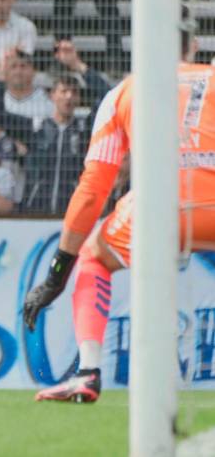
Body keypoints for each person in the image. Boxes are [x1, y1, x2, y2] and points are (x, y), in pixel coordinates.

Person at [22, 21, 211, 403]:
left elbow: (93, 189)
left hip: (162, 206)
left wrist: (57, 274)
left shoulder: (123, 93)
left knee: (93, 256)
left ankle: (88, 372)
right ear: (190, 48)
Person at [22, 74, 90, 215]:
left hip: (72, 211)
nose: (69, 96)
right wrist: (0, 77)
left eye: (74, 92)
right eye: (64, 91)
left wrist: (82, 69)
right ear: (52, 95)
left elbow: (107, 95)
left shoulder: (85, 130)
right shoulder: (37, 128)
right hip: (36, 210)